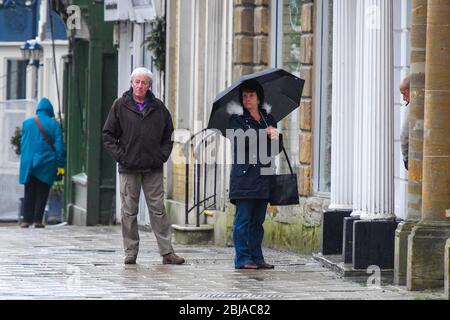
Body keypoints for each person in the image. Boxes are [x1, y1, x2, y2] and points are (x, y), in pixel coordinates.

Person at [102, 67, 185, 265]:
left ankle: (167, 252)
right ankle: (130, 252)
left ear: (149, 86)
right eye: (136, 82)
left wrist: (162, 155)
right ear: (131, 84)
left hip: (153, 167)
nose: (139, 86)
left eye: (144, 83)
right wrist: (122, 156)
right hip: (128, 168)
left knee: (158, 210)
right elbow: (108, 135)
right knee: (129, 212)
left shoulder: (158, 107)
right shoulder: (120, 105)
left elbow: (169, 135)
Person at [226, 79, 282, 270]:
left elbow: (276, 150)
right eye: (244, 96)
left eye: (251, 95)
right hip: (244, 177)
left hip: (264, 176)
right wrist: (263, 133)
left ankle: (257, 257)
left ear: (259, 98)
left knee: (258, 222)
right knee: (243, 221)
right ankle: (242, 259)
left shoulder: (269, 119)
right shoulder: (236, 120)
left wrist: (276, 137)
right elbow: (240, 142)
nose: (247, 99)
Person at [19, 97, 66, 228]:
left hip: (28, 163)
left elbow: (23, 144)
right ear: (49, 110)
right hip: (46, 163)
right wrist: (61, 166)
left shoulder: (27, 123)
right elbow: (59, 148)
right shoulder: (54, 125)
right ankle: (38, 220)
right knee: (42, 190)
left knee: (29, 191)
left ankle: (26, 220)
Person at [399, 75, 410, 171]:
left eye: (404, 94)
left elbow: (404, 135)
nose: (403, 98)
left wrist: (406, 158)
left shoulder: (412, 107)